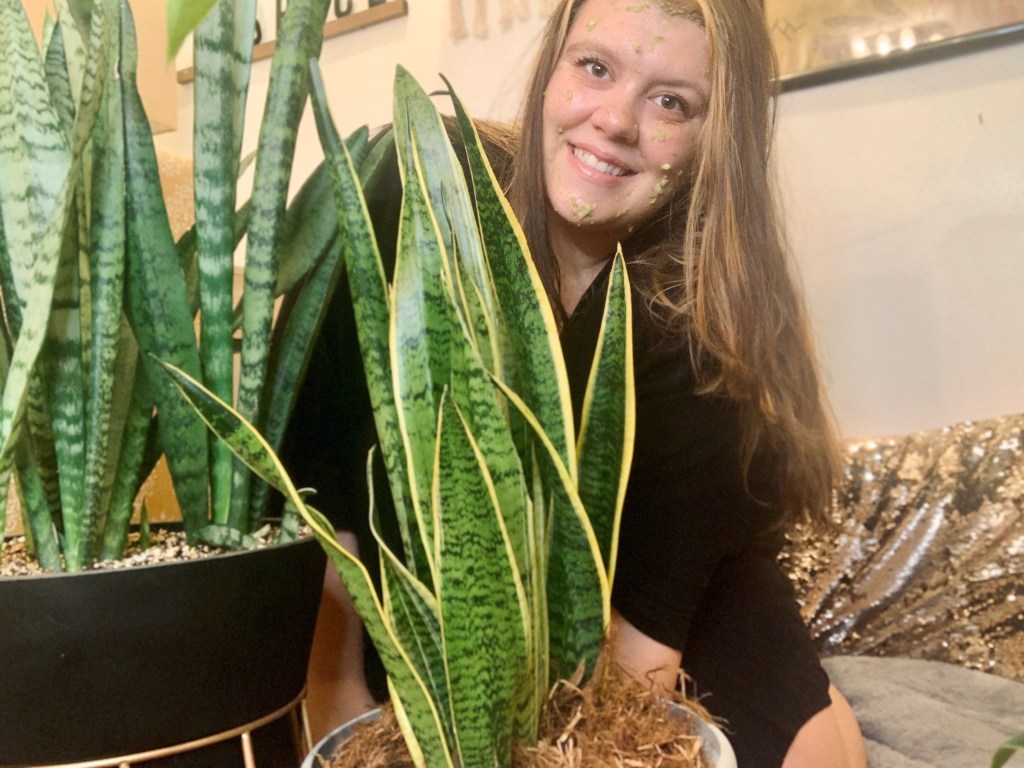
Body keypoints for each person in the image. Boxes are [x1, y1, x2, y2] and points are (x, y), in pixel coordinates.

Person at [284, 0, 868, 765]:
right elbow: (315, 485)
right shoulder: (417, 189)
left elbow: (634, 673)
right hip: (414, 626)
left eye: (671, 102)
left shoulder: (697, 329)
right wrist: (335, 698)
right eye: (595, 66)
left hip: (671, 620)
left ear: (713, 140)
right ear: (551, 67)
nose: (615, 120)